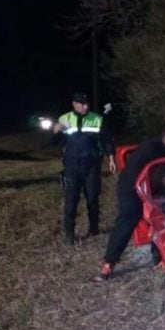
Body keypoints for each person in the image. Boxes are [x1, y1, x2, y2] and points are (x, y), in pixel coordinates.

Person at [96, 123, 165, 281]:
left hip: (155, 188)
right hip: (131, 187)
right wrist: (164, 179)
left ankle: (161, 257)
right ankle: (109, 262)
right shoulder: (150, 148)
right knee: (127, 220)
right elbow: (139, 172)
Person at [52, 92, 116, 244]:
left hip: (92, 165)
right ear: (74, 104)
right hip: (72, 166)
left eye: (87, 103)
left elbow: (107, 140)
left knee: (93, 198)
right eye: (82, 104)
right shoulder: (64, 118)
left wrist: (111, 158)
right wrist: (56, 129)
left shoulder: (97, 119)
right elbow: (54, 140)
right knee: (71, 200)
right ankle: (69, 234)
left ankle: (94, 229)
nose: (85, 106)